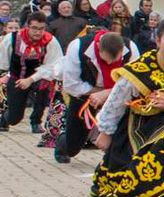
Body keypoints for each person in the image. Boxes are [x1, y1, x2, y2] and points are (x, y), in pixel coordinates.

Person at [91, 17, 164, 197]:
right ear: (158, 40)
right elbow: (116, 101)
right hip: (140, 124)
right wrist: (105, 132)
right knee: (121, 175)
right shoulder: (140, 68)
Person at [54, 25, 140, 163]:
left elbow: (135, 82)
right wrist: (99, 92)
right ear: (98, 46)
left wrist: (108, 93)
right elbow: (71, 85)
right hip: (85, 94)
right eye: (105, 60)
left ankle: (116, 161)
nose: (110, 63)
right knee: (73, 145)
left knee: (122, 133)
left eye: (114, 61)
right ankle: (63, 144)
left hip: (119, 95)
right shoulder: (78, 47)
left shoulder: (131, 49)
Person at [0, 12, 65, 133]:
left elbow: (53, 66)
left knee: (44, 87)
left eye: (41, 29)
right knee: (15, 118)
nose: (38, 32)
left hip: (38, 77)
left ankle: (36, 121)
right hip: (17, 77)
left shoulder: (50, 41)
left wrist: (30, 79)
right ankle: (6, 118)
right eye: (34, 28)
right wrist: (5, 76)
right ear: (27, 26)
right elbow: (2, 63)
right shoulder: (12, 38)